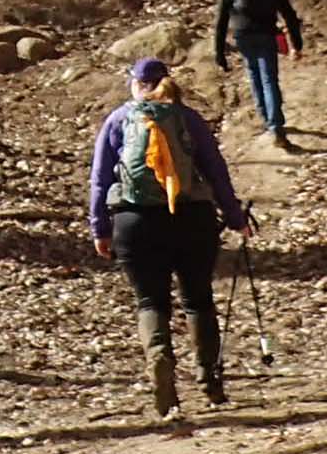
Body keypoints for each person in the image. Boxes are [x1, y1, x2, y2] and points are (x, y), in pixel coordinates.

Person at [87, 58, 253, 416]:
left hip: (135, 222)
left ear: (135, 84)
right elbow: (216, 172)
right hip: (192, 218)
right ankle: (209, 381)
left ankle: (160, 361)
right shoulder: (189, 120)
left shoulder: (118, 121)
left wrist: (100, 228)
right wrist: (236, 218)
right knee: (198, 299)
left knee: (150, 302)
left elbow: (100, 181)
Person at [213, 0, 306, 147]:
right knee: (269, 79)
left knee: (254, 75)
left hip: (243, 37)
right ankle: (276, 127)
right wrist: (296, 44)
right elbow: (289, 14)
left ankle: (266, 119)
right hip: (266, 35)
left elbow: (220, 20)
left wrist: (219, 53)